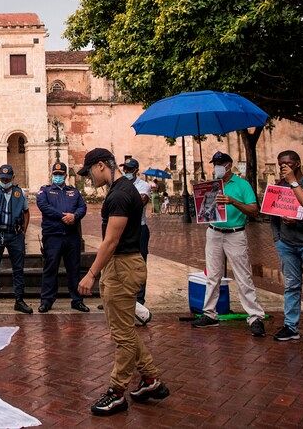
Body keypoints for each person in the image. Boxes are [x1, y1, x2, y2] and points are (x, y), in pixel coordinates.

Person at [77, 148, 169, 416]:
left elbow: (111, 240)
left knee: (122, 335)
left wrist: (92, 272)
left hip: (123, 265)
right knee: (125, 329)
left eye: (90, 172)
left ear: (102, 166)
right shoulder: (124, 190)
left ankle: (117, 392)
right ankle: (151, 380)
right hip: (123, 264)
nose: (89, 178)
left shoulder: (118, 195)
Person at [191, 151, 266, 336]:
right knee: (212, 275)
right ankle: (209, 313)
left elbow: (254, 210)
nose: (217, 166)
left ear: (229, 164)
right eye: (215, 163)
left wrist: (233, 201)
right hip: (214, 232)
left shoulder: (242, 185)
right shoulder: (212, 185)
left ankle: (255, 316)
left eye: (220, 163)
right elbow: (205, 210)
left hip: (235, 234)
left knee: (243, 276)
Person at [269, 150, 303, 342]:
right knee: (291, 286)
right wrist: (278, 239)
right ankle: (291, 327)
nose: (283, 167)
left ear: (297, 164)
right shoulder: (278, 187)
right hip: (287, 245)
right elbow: (272, 216)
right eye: (280, 163)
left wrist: (298, 222)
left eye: (287, 163)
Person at [35, 161, 88, 313]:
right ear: (52, 175)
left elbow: (82, 207)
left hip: (71, 236)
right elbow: (44, 206)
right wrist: (63, 216)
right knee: (50, 268)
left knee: (74, 268)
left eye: (60, 174)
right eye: (55, 174)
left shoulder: (73, 191)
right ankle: (47, 300)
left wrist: (75, 216)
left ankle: (77, 300)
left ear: (65, 175)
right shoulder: (45, 191)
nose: (58, 176)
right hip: (53, 236)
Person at [0, 164, 32, 315]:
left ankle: (19, 300)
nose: (5, 181)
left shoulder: (20, 192)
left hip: (15, 234)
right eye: (2, 178)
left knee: (18, 269)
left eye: (7, 178)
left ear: (12, 178)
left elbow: (26, 212)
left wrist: (24, 230)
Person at [122, 158, 152, 305]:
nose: (126, 171)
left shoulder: (144, 185)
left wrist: (122, 199)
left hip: (139, 228)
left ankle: (139, 298)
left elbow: (139, 204)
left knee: (140, 262)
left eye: (129, 169)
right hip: (123, 228)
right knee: (122, 262)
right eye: (125, 168)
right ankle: (122, 295)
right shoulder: (119, 185)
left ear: (135, 170)